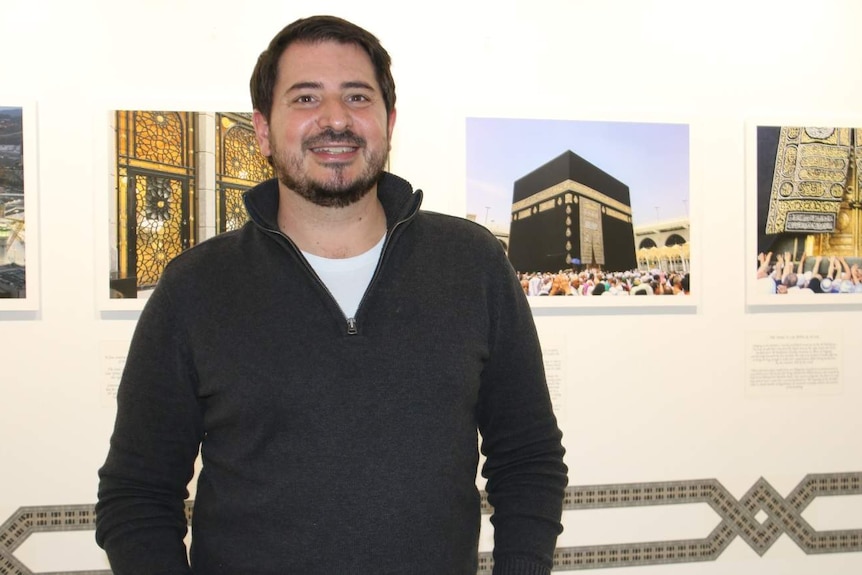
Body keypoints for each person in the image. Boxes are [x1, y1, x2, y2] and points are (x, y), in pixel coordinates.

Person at [95, 14, 567, 575]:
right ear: (264, 130)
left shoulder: (472, 264)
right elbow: (137, 494)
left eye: (357, 97)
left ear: (388, 124)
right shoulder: (195, 288)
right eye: (305, 98)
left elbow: (529, 459)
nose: (335, 119)